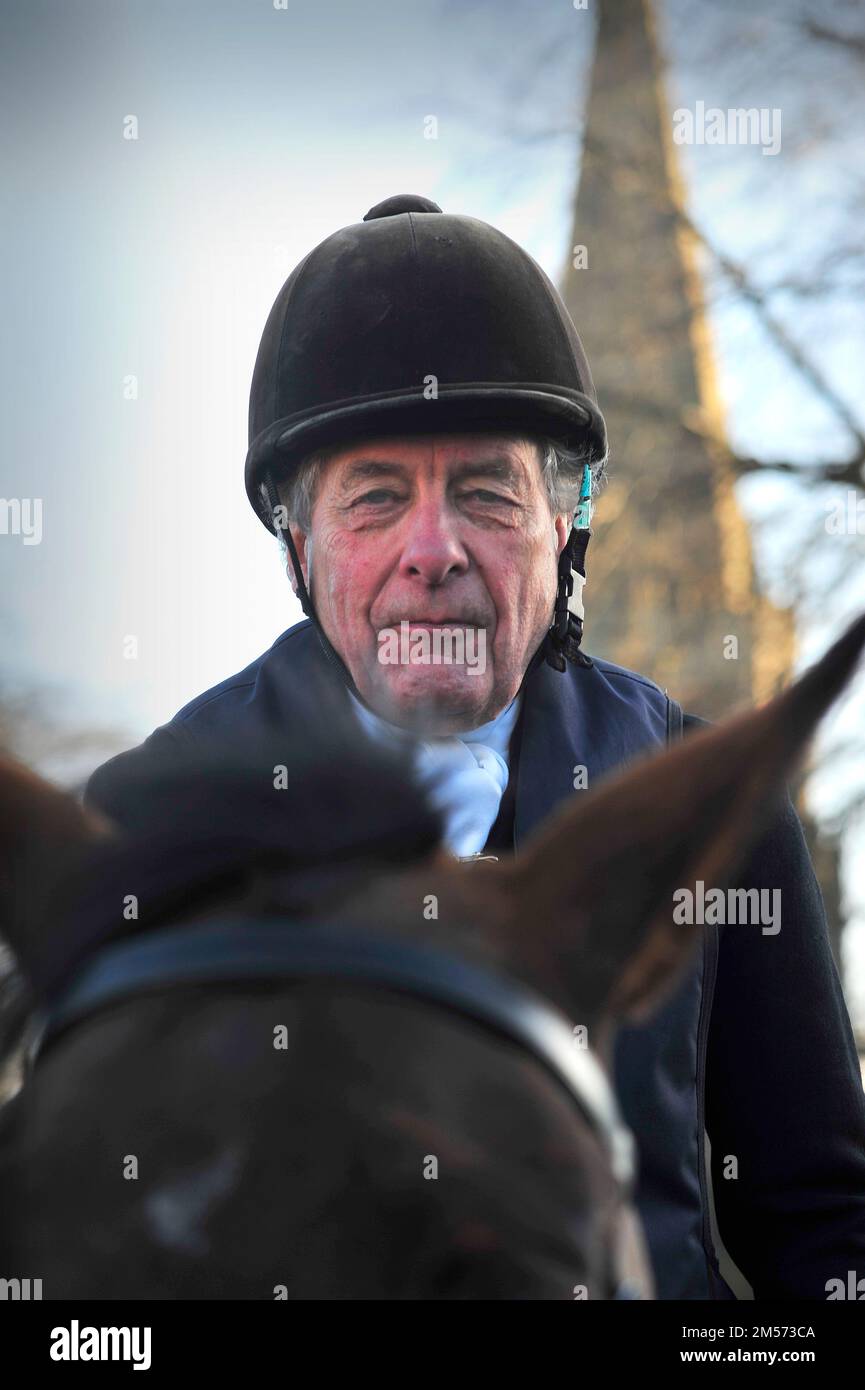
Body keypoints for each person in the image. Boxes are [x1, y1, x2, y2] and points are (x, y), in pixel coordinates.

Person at [87, 193, 865, 1300]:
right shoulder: (139, 831)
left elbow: (822, 1234)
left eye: (487, 490)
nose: (434, 549)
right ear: (299, 544)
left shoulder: (721, 817)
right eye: (376, 496)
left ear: (562, 525)